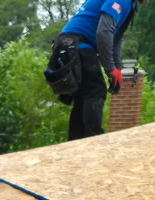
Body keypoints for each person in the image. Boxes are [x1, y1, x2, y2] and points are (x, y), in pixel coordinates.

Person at [54, 0, 142, 140]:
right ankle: (95, 141)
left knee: (83, 96)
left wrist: (116, 68)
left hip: (67, 44)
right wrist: (109, 68)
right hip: (76, 44)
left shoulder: (130, 4)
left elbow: (116, 37)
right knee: (96, 90)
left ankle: (75, 143)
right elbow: (104, 31)